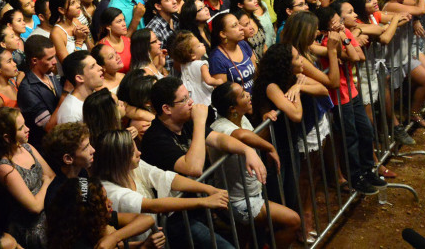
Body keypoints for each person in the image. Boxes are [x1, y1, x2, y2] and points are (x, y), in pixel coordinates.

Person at [95, 129, 232, 248]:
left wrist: (208, 189)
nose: (139, 153)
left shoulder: (131, 167)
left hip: (152, 240)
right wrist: (204, 201)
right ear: (119, 159)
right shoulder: (108, 190)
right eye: (132, 152)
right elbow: (153, 206)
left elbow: (164, 177)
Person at [209, 83, 301, 247]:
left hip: (251, 192)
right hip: (240, 200)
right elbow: (242, 136)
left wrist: (266, 123)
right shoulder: (220, 126)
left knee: (246, 239)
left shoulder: (240, 118)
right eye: (243, 95)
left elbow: (252, 137)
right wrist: (270, 147)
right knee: (292, 221)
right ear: (232, 108)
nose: (248, 95)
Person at [0, 107, 55, 249]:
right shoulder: (5, 168)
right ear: (7, 137)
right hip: (31, 229)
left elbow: (52, 175)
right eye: (21, 128)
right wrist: (45, 183)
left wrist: (46, 183)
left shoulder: (27, 147)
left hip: (49, 213)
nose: (28, 129)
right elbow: (34, 207)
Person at [46, 177, 163, 249]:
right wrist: (144, 247)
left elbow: (147, 219)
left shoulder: (95, 218)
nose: (110, 202)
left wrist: (114, 238)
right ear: (89, 212)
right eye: (104, 201)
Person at [16, 36, 61, 147]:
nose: (55, 61)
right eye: (50, 59)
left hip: (60, 140)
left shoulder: (50, 74)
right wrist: (65, 94)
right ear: (35, 60)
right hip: (46, 148)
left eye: (54, 56)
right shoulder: (27, 90)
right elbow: (49, 127)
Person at [54, 51, 104, 124]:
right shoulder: (71, 114)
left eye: (97, 64)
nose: (100, 67)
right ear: (79, 78)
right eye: (93, 66)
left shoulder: (93, 96)